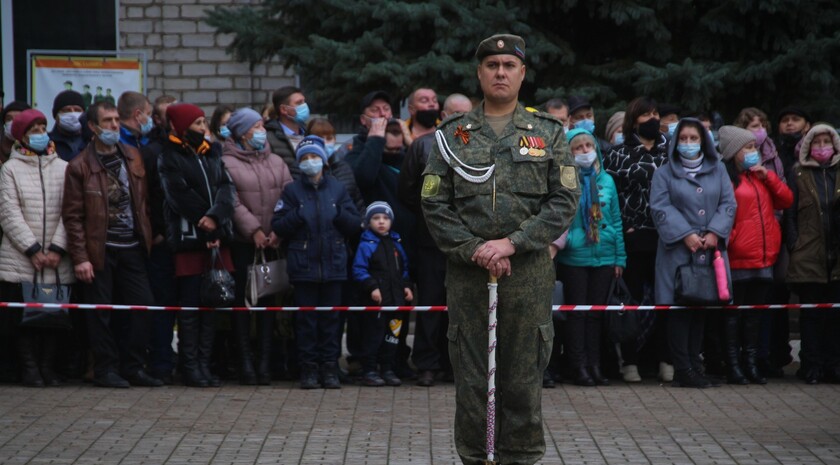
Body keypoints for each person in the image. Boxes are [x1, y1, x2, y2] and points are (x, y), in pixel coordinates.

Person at [421, 34, 580, 465]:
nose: (500, 72)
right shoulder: (452, 136)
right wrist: (476, 249)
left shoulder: (547, 134)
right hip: (469, 275)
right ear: (479, 73)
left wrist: (511, 243)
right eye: (492, 65)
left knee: (524, 375)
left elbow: (564, 200)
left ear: (522, 73)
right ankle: (475, 457)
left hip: (526, 274)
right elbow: (434, 204)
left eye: (509, 65)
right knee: (473, 378)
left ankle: (522, 457)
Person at [62, 101, 160, 388]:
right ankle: (105, 369)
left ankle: (133, 366)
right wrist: (80, 257)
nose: (115, 125)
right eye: (107, 121)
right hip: (99, 249)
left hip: (132, 246)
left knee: (144, 306)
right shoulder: (80, 165)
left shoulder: (133, 156)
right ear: (93, 127)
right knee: (100, 313)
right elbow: (73, 216)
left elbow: (144, 203)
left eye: (117, 119)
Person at [650, 117, 737, 389]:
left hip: (709, 251)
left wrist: (714, 232)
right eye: (684, 139)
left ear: (704, 141)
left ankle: (695, 365)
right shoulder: (664, 172)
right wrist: (685, 234)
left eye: (694, 138)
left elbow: (728, 203)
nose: (688, 143)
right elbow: (660, 206)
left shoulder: (719, 169)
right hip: (677, 250)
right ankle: (682, 368)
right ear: (676, 142)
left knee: (701, 307)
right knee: (680, 309)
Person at [272, 136, 361, 389]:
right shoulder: (292, 191)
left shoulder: (337, 188)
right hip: (304, 267)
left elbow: (355, 223)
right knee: (307, 322)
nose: (310, 162)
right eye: (305, 158)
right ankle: (309, 370)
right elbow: (278, 224)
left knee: (331, 321)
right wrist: (297, 215)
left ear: (323, 160)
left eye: (314, 157)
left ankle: (330, 368)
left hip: (334, 265)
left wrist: (340, 214)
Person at [158, 103, 235, 388]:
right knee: (190, 308)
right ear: (181, 126)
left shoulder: (212, 152)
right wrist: (207, 224)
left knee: (211, 304)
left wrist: (217, 216)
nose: (203, 128)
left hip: (217, 240)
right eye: (198, 123)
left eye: (204, 122)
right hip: (191, 241)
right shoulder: (169, 156)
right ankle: (189, 366)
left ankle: (205, 364)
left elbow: (227, 188)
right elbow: (179, 195)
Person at [400, 93, 473, 387]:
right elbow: (406, 191)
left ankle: (455, 364)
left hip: (467, 243)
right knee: (431, 305)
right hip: (432, 241)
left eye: (467, 114)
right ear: (443, 114)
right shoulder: (423, 145)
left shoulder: (479, 146)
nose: (462, 120)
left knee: (463, 308)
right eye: (456, 113)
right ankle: (427, 364)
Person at [0, 109, 74, 387]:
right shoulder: (10, 169)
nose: (41, 134)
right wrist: (33, 249)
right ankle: (30, 369)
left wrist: (57, 248)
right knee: (24, 318)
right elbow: (8, 213)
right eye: (34, 129)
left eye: (43, 127)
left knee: (52, 317)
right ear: (21, 135)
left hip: (57, 260)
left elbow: (71, 211)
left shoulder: (64, 167)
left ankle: (48, 367)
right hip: (22, 259)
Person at [346, 91, 417, 377]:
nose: (384, 116)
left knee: (401, 309)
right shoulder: (359, 150)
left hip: (403, 247)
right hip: (372, 249)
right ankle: (366, 361)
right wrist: (375, 138)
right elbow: (362, 178)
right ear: (364, 120)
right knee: (372, 312)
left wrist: (410, 141)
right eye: (376, 111)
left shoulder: (405, 154)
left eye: (388, 110)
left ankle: (396, 359)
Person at [603, 97, 671, 383]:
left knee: (664, 301)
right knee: (630, 303)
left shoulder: (670, 153)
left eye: (656, 112)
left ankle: (664, 360)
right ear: (634, 120)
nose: (653, 118)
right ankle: (630, 361)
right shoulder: (618, 154)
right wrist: (626, 227)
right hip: (632, 238)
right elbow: (611, 196)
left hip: (666, 238)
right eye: (646, 114)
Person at [222, 107, 293, 385]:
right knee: (243, 304)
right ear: (241, 132)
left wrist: (277, 230)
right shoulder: (227, 163)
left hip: (272, 243)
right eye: (257, 126)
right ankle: (245, 364)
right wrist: (253, 230)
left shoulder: (276, 161)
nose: (262, 131)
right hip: (244, 244)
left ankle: (264, 364)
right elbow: (232, 201)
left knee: (268, 304)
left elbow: (288, 195)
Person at [718, 125, 793, 385]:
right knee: (733, 316)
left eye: (754, 147)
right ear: (733, 152)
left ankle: (750, 364)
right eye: (748, 147)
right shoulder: (726, 179)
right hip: (738, 256)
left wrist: (769, 177)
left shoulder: (760, 176)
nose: (754, 152)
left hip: (763, 257)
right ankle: (734, 365)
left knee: (755, 315)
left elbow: (786, 200)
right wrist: (735, 238)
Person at [554, 128, 626, 386]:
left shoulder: (606, 180)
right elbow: (558, 216)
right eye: (578, 148)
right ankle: (578, 366)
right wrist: (571, 240)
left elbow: (616, 221)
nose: (585, 151)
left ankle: (595, 365)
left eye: (588, 146)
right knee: (578, 314)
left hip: (605, 258)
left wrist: (619, 259)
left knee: (596, 314)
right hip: (575, 258)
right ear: (568, 152)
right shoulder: (564, 179)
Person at [784, 123, 840, 384]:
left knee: (835, 316)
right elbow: (790, 214)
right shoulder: (798, 174)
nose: (821, 148)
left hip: (835, 255)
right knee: (812, 316)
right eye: (816, 143)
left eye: (826, 142)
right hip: (808, 255)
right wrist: (795, 245)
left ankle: (833, 365)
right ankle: (811, 366)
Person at [139, 95, 179, 383]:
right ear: (157, 119)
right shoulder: (151, 152)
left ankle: (189, 361)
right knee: (162, 304)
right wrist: (158, 231)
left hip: (189, 241)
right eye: (169, 115)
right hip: (163, 241)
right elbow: (149, 197)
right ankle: (162, 363)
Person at [352, 201, 413, 386]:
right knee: (373, 336)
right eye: (376, 218)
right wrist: (372, 287)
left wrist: (406, 286)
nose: (381, 222)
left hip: (396, 301)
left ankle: (388, 368)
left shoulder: (396, 243)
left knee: (392, 337)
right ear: (369, 221)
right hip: (377, 302)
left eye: (385, 218)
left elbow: (403, 268)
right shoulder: (366, 244)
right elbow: (359, 269)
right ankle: (369, 370)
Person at [265, 86, 308, 177]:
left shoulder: (310, 133)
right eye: (299, 103)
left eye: (304, 101)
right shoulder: (269, 138)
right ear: (284, 109)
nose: (304, 106)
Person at [48, 90, 86, 161]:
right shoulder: (46, 143)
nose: (72, 114)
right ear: (56, 116)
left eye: (77, 110)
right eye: (67, 110)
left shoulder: (92, 142)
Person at [774, 106, 812, 176]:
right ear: (779, 127)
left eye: (796, 119)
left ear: (807, 126)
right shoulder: (772, 153)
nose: (789, 123)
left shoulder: (814, 151)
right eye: (784, 120)